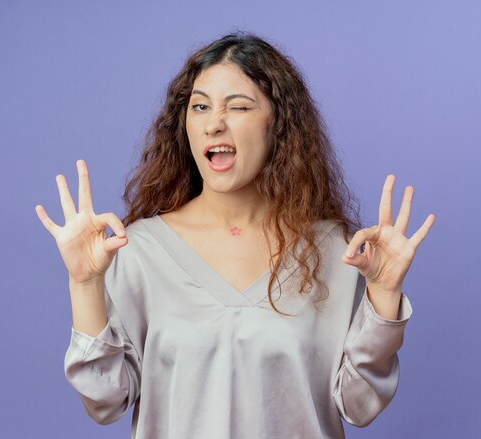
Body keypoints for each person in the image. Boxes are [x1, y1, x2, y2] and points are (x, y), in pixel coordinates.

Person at [35, 32, 435, 439]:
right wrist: (85, 284)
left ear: (278, 124)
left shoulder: (336, 253)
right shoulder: (139, 251)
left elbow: (359, 404)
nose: (214, 123)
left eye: (239, 107)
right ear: (184, 124)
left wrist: (384, 296)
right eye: (200, 107)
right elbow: (104, 402)